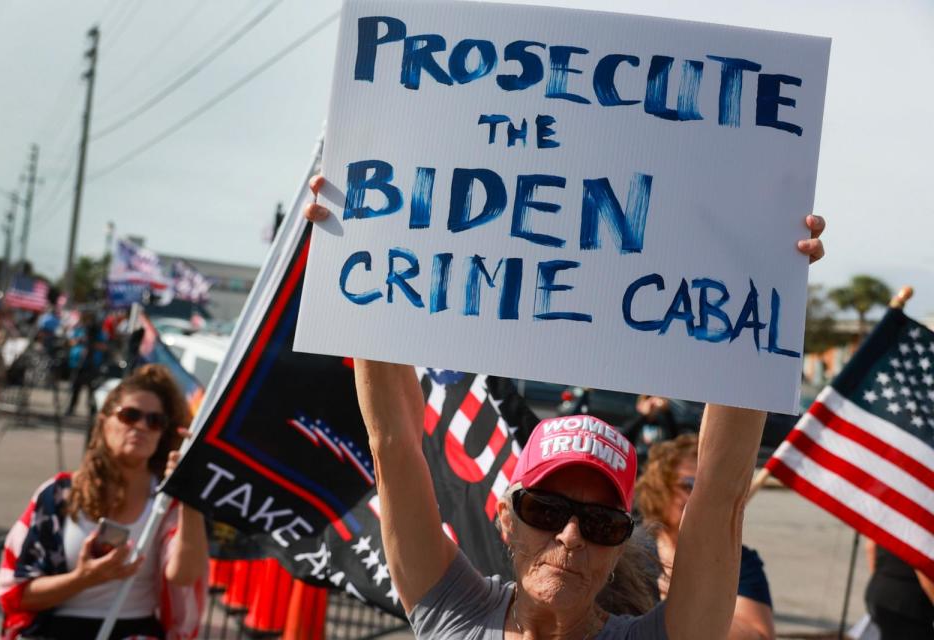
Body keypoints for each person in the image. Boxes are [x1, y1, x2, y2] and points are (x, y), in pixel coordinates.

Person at [304, 176, 825, 639]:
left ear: (621, 547)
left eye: (601, 524)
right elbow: (394, 444)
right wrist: (365, 247)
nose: (570, 536)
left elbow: (719, 495)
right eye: (545, 511)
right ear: (507, 519)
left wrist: (767, 277)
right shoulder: (455, 613)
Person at [0, 364, 208, 639]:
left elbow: (184, 574)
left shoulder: (166, 504)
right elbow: (18, 594)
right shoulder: (58, 495)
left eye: (155, 421)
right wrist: (85, 578)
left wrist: (189, 498)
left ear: (162, 434)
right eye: (130, 416)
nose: (142, 427)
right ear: (104, 420)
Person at [635, 434, 774, 639]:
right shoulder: (633, 554)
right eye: (688, 485)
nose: (700, 496)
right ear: (659, 488)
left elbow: (759, 634)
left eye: (708, 487)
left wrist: (684, 605)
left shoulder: (739, 561)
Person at [864, 538, 934, 639]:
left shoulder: (897, 523)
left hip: (879, 591)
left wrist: (880, 578)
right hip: (908, 605)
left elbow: (870, 546)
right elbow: (922, 568)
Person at [65, 311, 108, 417]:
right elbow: (70, 342)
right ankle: (71, 408)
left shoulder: (99, 332)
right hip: (78, 363)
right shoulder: (79, 330)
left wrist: (92, 344)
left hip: (92, 364)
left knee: (92, 389)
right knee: (75, 388)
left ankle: (92, 411)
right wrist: (79, 341)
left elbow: (104, 346)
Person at [621, 396, 681, 468]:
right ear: (639, 406)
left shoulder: (662, 424)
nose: (652, 408)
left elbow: (675, 438)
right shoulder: (635, 422)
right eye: (647, 399)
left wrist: (666, 412)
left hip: (657, 466)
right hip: (638, 465)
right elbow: (624, 437)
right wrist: (643, 416)